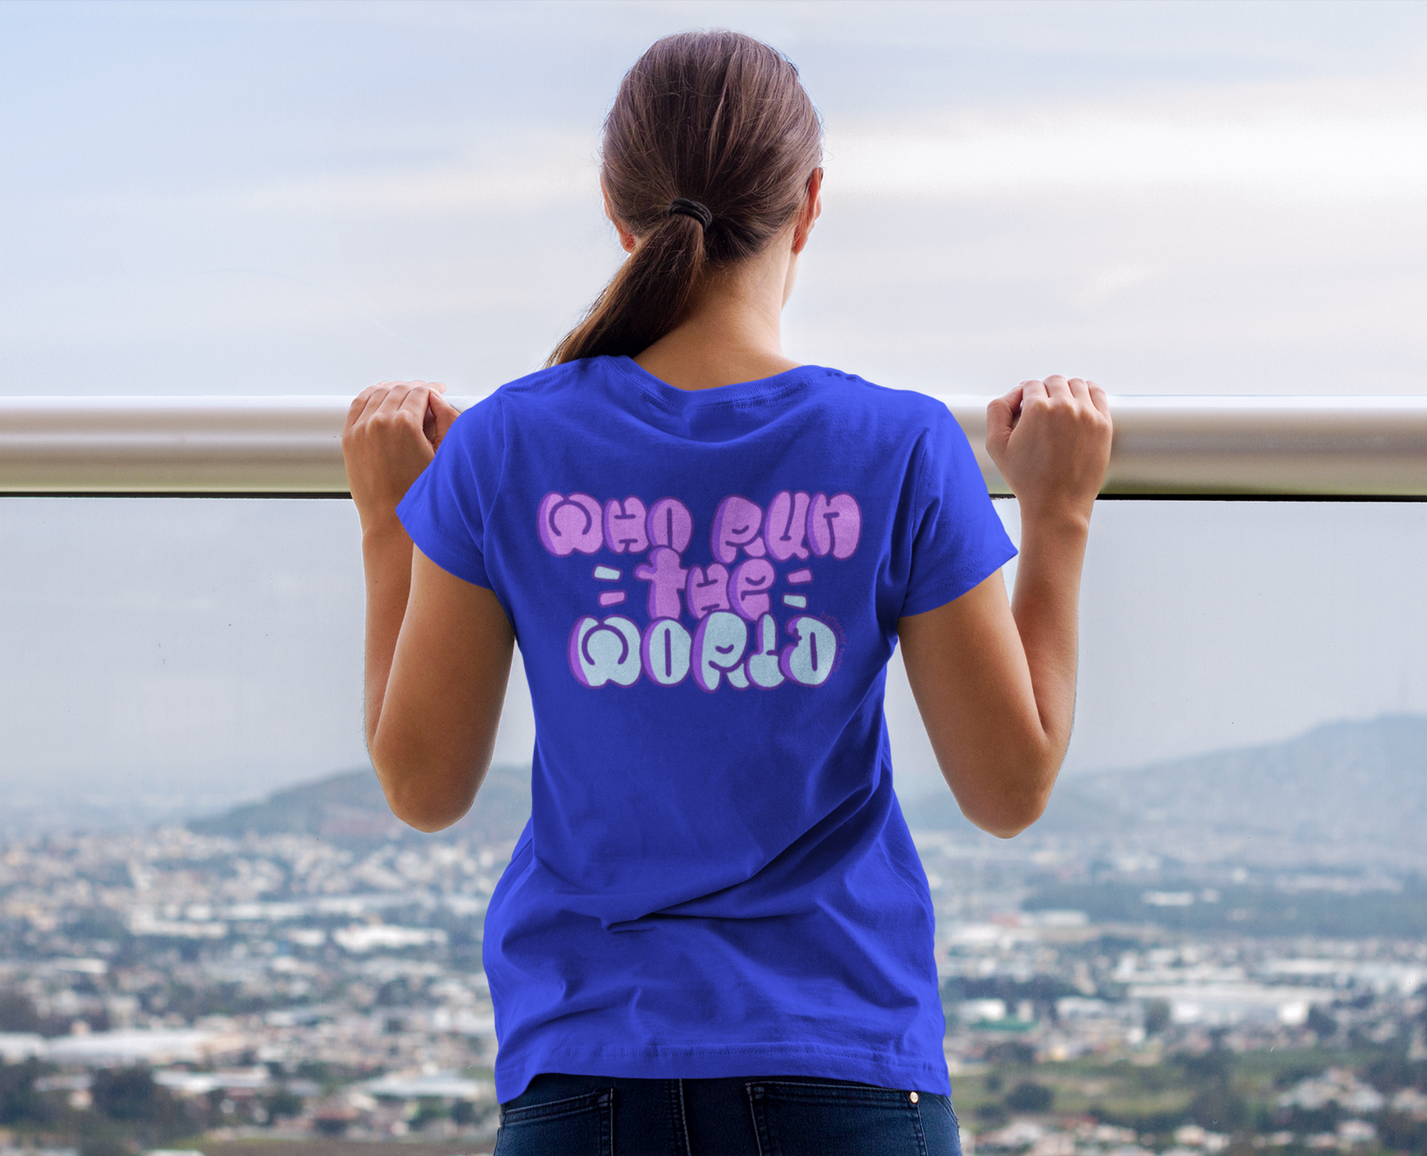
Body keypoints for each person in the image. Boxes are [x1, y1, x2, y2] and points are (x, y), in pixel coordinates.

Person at [341, 29, 1111, 1156]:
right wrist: (1054, 512)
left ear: (614, 207)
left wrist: (385, 523)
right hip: (844, 1077)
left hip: (585, 1077)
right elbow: (1008, 785)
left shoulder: (504, 445)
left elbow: (420, 784)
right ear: (808, 205)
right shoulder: (895, 446)